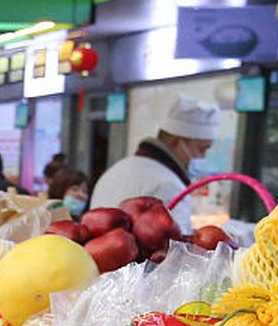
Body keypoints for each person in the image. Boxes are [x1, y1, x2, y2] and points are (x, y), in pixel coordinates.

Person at [88, 94, 219, 233]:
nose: (203, 157)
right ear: (176, 141)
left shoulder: (118, 168)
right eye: (201, 149)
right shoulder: (169, 185)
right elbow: (177, 248)